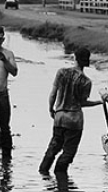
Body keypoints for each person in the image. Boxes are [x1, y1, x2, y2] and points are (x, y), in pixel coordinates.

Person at [39, 47, 101, 175]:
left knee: (53, 148)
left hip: (59, 116)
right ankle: (60, 177)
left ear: (74, 58)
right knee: (68, 152)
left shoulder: (61, 72)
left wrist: (51, 109)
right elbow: (82, 103)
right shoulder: (86, 81)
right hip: (74, 119)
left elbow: (53, 94)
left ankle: (43, 173)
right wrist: (99, 102)